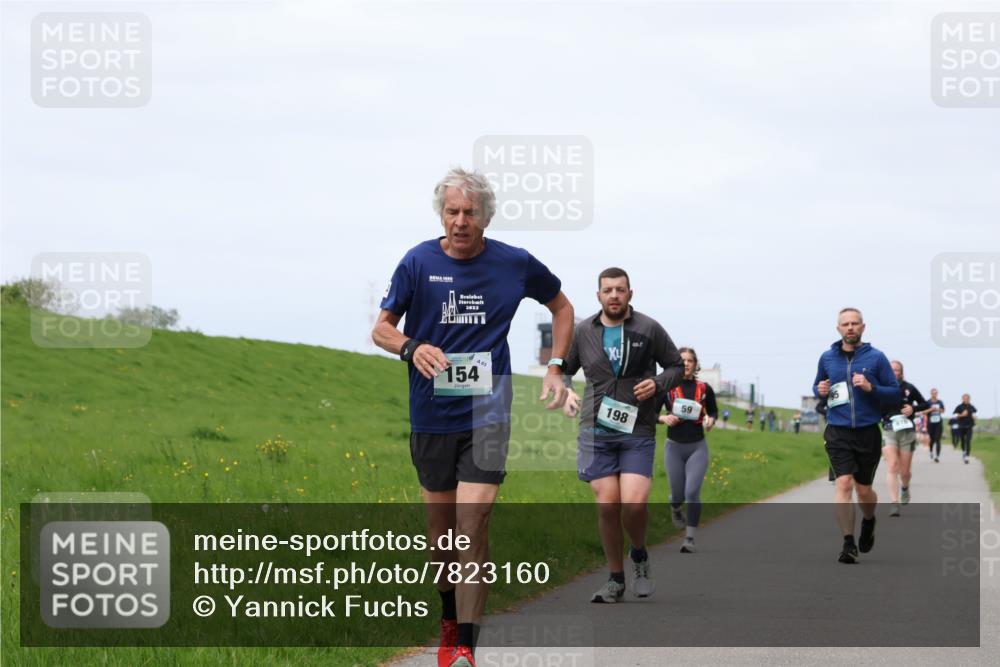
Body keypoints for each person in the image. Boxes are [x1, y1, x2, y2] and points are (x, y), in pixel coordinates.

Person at [372, 167, 574, 667]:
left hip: (488, 413)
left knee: (473, 525)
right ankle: (448, 617)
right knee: (441, 540)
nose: (460, 221)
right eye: (452, 212)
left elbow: (562, 306)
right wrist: (411, 347)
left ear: (486, 215)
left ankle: (466, 644)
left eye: (470, 212)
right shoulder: (417, 262)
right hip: (431, 415)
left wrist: (556, 366)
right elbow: (381, 329)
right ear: (441, 214)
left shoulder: (515, 263)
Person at [561, 267, 683, 602]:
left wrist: (657, 383)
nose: (614, 295)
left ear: (630, 293)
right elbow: (564, 370)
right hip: (596, 430)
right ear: (598, 295)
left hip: (637, 428)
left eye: (620, 289)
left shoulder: (649, 328)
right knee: (607, 505)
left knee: (634, 502)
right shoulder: (584, 331)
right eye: (608, 290)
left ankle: (639, 553)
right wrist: (567, 391)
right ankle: (616, 579)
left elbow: (675, 365)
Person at [813, 308, 899, 563]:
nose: (850, 327)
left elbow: (894, 393)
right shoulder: (827, 358)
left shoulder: (877, 358)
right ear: (838, 328)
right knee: (843, 484)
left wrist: (872, 387)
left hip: (867, 432)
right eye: (845, 324)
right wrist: (820, 389)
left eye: (855, 323)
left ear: (863, 327)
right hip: (837, 431)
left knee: (863, 491)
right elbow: (818, 385)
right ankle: (848, 543)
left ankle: (869, 520)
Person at [658, 347, 717, 553]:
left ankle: (689, 538)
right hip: (674, 447)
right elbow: (652, 414)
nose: (686, 364)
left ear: (695, 364)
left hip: (697, 447)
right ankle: (675, 507)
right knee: (678, 495)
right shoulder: (667, 388)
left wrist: (711, 421)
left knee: (692, 492)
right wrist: (664, 418)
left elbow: (713, 411)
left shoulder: (705, 388)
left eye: (690, 360)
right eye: (682, 360)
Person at [880, 360, 929, 517]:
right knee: (892, 466)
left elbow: (925, 404)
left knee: (905, 471)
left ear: (901, 372)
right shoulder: (881, 387)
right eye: (891, 369)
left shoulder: (909, 388)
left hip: (907, 431)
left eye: (896, 370)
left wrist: (913, 408)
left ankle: (905, 488)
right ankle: (894, 503)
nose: (893, 372)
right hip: (889, 429)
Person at [953, 394, 978, 464]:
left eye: (967, 398)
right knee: (963, 441)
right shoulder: (959, 407)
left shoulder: (972, 407)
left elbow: (975, 413)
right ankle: (964, 451)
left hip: (969, 426)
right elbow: (954, 415)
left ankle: (967, 456)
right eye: (964, 398)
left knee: (968, 441)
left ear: (969, 399)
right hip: (961, 426)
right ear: (962, 399)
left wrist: (975, 417)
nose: (966, 400)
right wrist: (961, 415)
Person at [925, 388, 945, 462]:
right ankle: (931, 451)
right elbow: (924, 411)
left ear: (937, 394)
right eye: (933, 393)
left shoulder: (940, 402)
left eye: (935, 393)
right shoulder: (927, 402)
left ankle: (937, 456)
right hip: (930, 423)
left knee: (938, 439)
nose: (934, 394)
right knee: (932, 440)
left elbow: (943, 410)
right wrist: (931, 410)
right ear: (931, 394)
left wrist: (938, 409)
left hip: (938, 423)